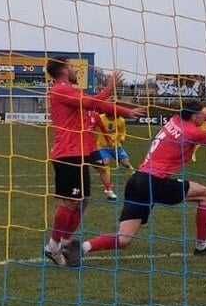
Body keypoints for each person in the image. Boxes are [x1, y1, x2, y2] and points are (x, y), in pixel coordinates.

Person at [62, 99, 206, 266]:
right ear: (194, 116)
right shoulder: (192, 131)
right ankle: (201, 247)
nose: (204, 116)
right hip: (154, 182)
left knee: (124, 239)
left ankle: (82, 247)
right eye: (200, 114)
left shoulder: (175, 120)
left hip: (137, 181)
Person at [43, 57, 144, 267]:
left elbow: (95, 105)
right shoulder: (61, 89)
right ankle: (53, 246)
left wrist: (126, 112)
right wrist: (110, 87)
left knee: (82, 201)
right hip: (67, 153)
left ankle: (65, 243)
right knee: (70, 202)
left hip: (80, 153)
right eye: (70, 67)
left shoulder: (70, 91)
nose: (73, 71)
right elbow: (92, 103)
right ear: (62, 69)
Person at [87, 110, 119, 200]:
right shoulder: (75, 114)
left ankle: (109, 191)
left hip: (92, 149)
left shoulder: (95, 115)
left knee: (102, 169)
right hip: (78, 149)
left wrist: (109, 141)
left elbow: (103, 129)